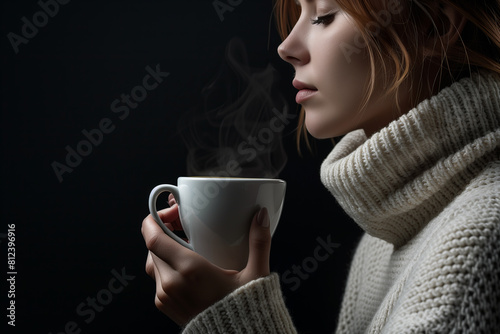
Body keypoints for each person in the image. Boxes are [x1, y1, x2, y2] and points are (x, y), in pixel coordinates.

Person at [141, 0, 500, 332]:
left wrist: (229, 318)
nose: (286, 47)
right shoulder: (378, 246)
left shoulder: (479, 244)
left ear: (433, 26)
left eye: (323, 16)